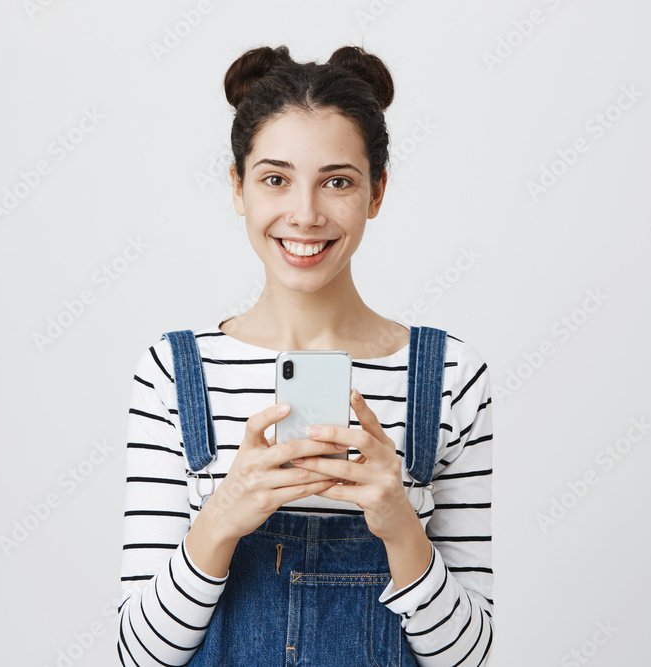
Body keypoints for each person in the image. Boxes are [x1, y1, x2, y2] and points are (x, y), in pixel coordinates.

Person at [117, 44, 494, 666]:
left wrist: (400, 522)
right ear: (238, 187)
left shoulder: (452, 375)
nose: (306, 214)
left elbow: (468, 658)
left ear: (376, 193)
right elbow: (142, 656)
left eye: (338, 182)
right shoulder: (172, 373)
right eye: (275, 179)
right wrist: (224, 514)